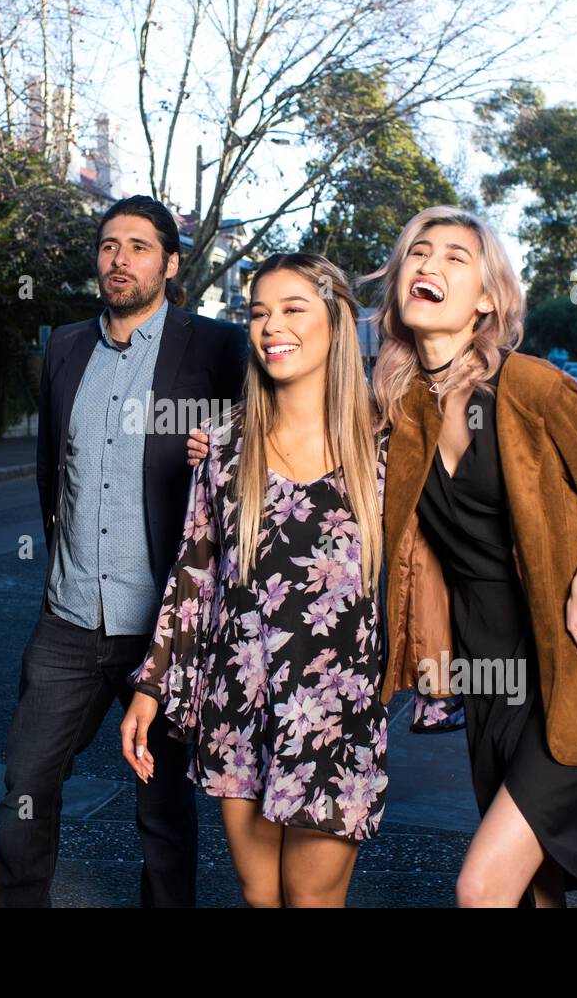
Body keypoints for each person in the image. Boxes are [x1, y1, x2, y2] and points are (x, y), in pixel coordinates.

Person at [362, 204, 577, 907]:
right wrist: (218, 445)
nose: (429, 265)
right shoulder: (399, 409)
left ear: (487, 299)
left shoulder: (534, 388)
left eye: (455, 257)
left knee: (482, 886)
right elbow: (305, 440)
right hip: (489, 678)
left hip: (570, 668)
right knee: (536, 887)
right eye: (418, 253)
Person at [0, 195, 248, 908]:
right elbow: (53, 467)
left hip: (162, 629)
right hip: (69, 618)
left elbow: (272, 433)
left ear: (170, 263)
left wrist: (230, 438)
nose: (119, 259)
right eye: (109, 245)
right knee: (25, 785)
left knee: (162, 810)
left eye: (139, 246)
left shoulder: (216, 347)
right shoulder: (65, 346)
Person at [120, 253, 391, 909]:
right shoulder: (223, 445)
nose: (272, 325)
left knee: (310, 896)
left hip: (334, 712)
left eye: (293, 308)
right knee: (260, 891)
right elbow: (193, 572)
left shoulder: (383, 443)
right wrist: (151, 689)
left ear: (335, 321)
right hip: (235, 704)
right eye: (260, 312)